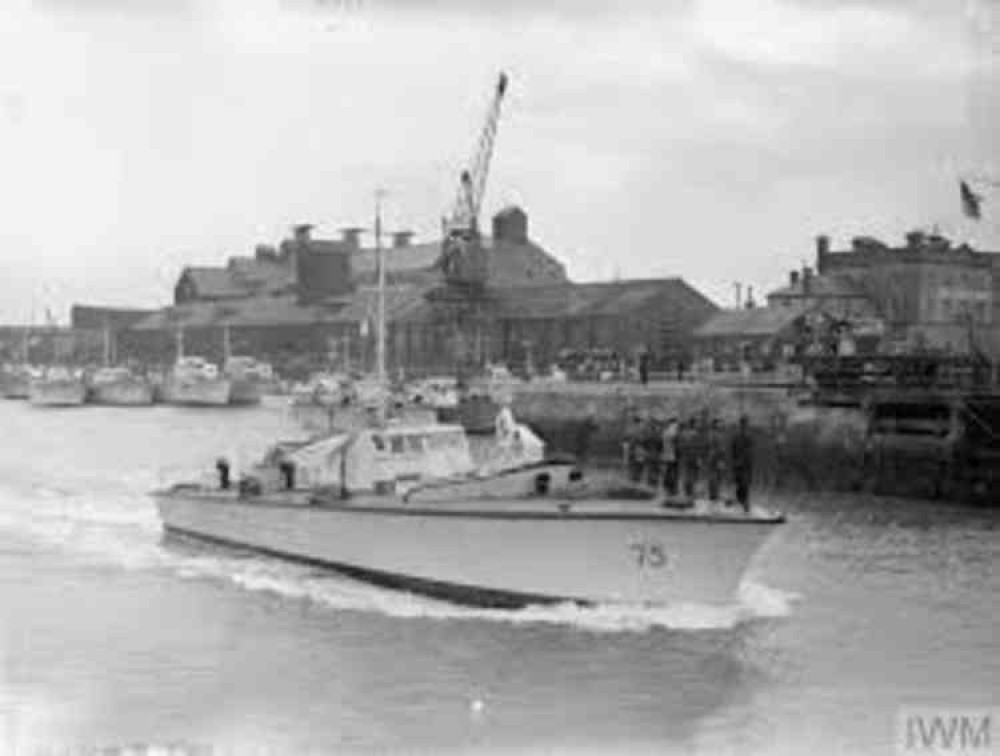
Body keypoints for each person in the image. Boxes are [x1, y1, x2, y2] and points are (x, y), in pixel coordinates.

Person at [731, 415, 754, 511]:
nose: (745, 425)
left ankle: (744, 504)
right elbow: (734, 451)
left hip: (745, 464)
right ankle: (743, 504)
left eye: (746, 423)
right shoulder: (738, 437)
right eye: (744, 423)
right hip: (741, 464)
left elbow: (750, 451)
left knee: (744, 484)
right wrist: (736, 461)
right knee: (741, 484)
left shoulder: (748, 436)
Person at [678, 418, 699, 498]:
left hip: (685, 456)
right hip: (692, 457)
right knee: (692, 474)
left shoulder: (684, 433)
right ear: (693, 424)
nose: (697, 425)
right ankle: (691, 492)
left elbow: (681, 446)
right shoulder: (695, 434)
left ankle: (687, 491)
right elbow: (697, 447)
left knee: (686, 474)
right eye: (696, 423)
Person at [623, 413, 646, 482]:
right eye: (641, 422)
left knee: (636, 465)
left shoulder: (631, 430)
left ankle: (634, 478)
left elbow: (625, 440)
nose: (641, 424)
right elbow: (627, 441)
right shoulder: (638, 430)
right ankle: (635, 478)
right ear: (638, 422)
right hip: (637, 450)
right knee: (637, 465)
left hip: (635, 450)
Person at [706, 419, 726, 501]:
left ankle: (713, 494)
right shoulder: (717, 434)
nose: (721, 425)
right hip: (717, 457)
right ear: (715, 425)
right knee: (716, 476)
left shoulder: (710, 433)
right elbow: (720, 448)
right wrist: (721, 458)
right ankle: (715, 494)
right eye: (719, 423)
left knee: (713, 475)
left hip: (712, 456)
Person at [661, 416, 680, 495]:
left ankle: (670, 488)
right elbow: (674, 440)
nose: (677, 425)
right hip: (671, 455)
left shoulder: (666, 432)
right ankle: (670, 489)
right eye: (675, 423)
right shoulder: (671, 432)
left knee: (669, 472)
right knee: (671, 472)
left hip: (669, 455)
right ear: (672, 423)